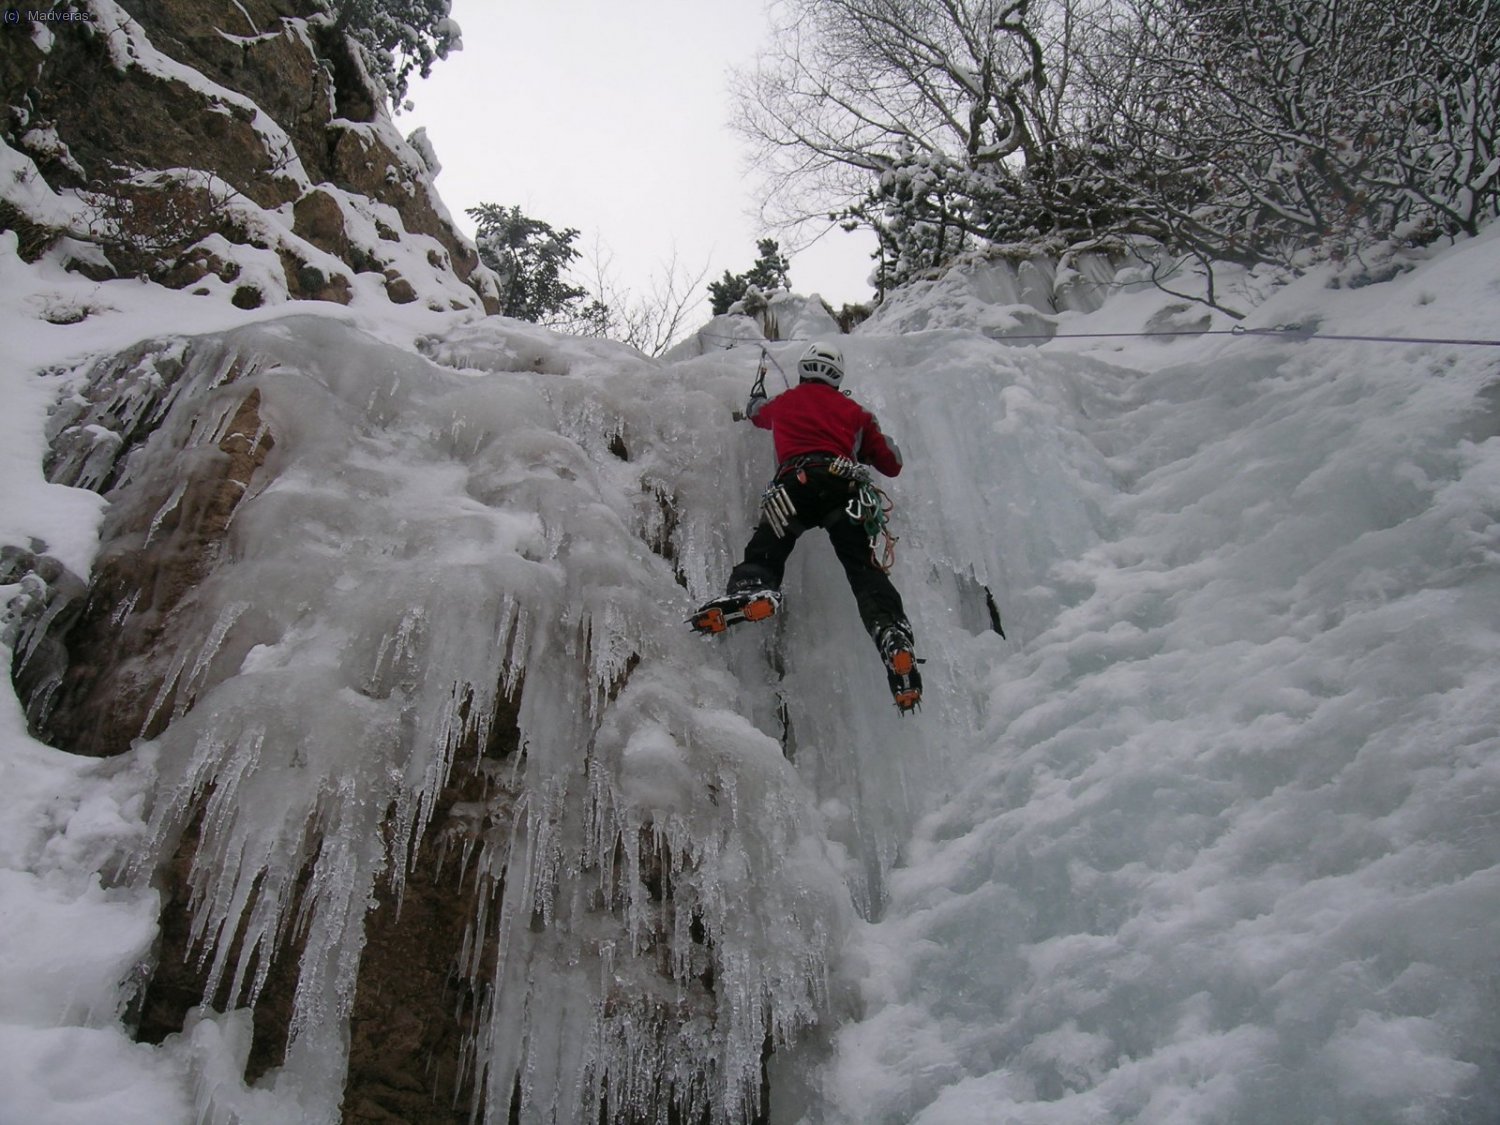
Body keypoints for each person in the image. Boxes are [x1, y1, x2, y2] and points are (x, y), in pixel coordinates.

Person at [690, 342, 922, 712]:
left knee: (769, 544)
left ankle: (755, 588)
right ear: (837, 376)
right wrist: (864, 436)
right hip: (842, 490)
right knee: (863, 566)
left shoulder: (785, 403)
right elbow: (891, 462)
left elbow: (756, 413)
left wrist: (757, 396)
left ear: (803, 369)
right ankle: (891, 632)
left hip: (794, 485)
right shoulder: (855, 412)